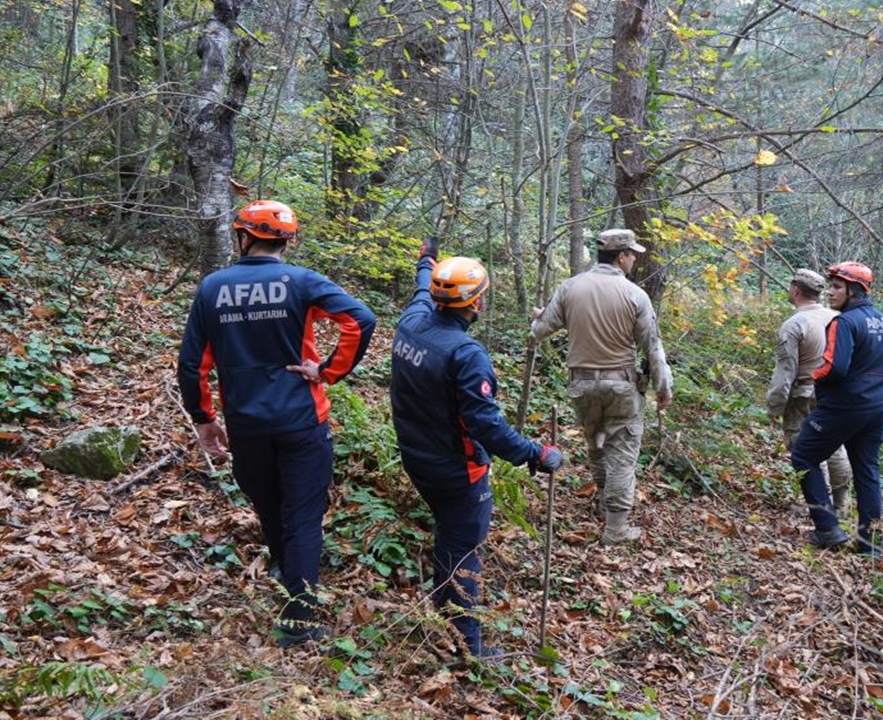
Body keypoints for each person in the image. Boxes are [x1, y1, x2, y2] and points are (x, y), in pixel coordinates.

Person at [178, 200, 377, 647]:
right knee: (303, 516)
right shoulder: (301, 282)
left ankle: (285, 571)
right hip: (302, 420)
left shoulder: (213, 288)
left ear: (242, 236)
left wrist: (204, 419)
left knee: (268, 504)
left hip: (246, 422)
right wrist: (328, 371)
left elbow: (192, 364)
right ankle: (299, 619)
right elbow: (360, 320)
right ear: (287, 240)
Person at [389, 238, 562, 658]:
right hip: (456, 470)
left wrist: (426, 261)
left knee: (450, 538)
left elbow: (419, 287)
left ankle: (442, 615)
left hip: (416, 455)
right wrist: (535, 454)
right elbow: (484, 423)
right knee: (462, 550)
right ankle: (467, 645)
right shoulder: (466, 355)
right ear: (477, 304)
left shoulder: (412, 321)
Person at [531, 228, 673, 545]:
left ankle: (602, 502)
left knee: (596, 444)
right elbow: (652, 347)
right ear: (621, 256)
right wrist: (663, 388)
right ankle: (615, 528)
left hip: (581, 386)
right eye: (632, 254)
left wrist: (539, 318)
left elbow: (540, 331)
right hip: (621, 386)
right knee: (621, 454)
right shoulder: (635, 295)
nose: (635, 259)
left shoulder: (570, 287)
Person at [790, 262, 883, 556]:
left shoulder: (843, 322)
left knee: (804, 456)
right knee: (867, 470)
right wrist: (873, 375)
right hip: (876, 407)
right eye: (831, 286)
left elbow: (835, 368)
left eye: (837, 287)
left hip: (842, 407)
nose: (830, 292)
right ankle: (870, 544)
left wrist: (814, 377)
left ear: (855, 291)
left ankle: (827, 528)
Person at [766, 268, 853, 514]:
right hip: (835, 394)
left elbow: (786, 371)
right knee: (835, 446)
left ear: (795, 289)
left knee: (806, 449)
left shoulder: (794, 324)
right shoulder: (837, 318)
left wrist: (775, 405)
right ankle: (841, 506)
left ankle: (819, 507)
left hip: (804, 395)